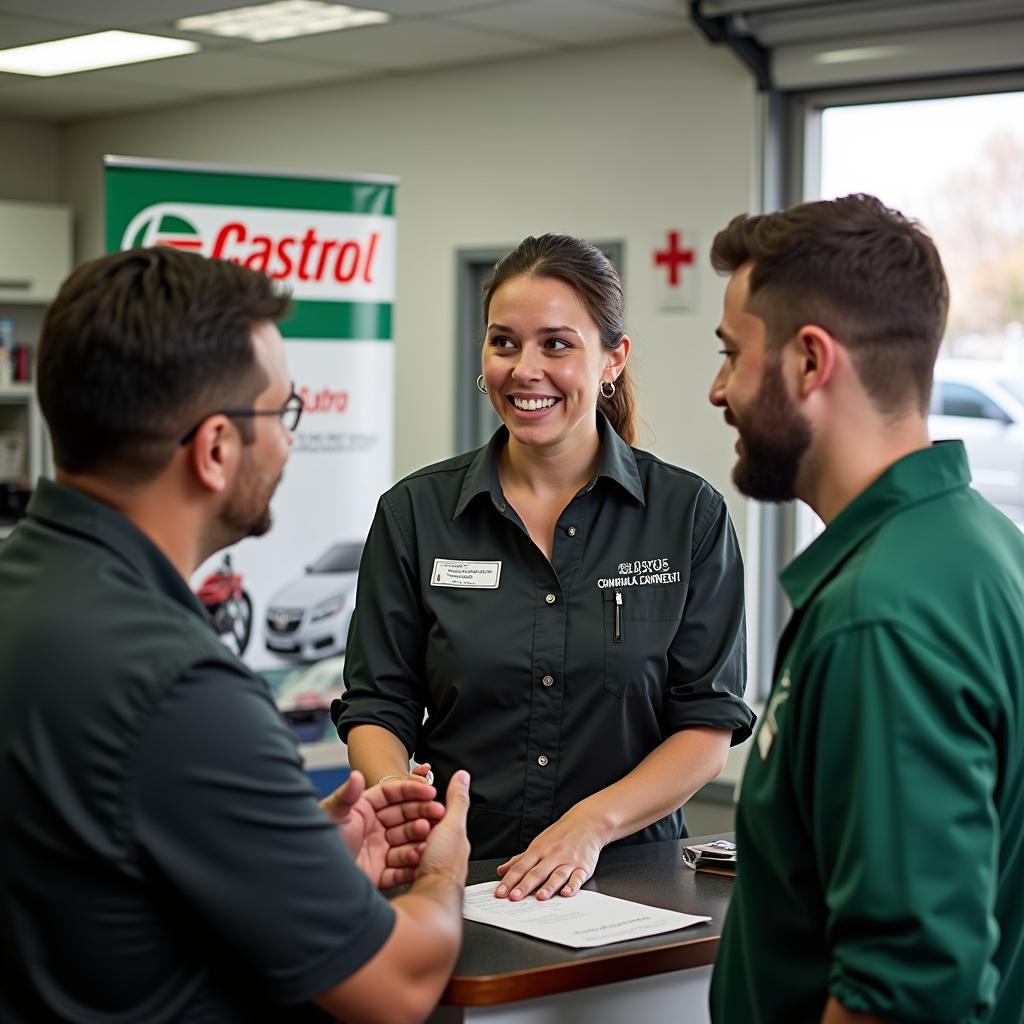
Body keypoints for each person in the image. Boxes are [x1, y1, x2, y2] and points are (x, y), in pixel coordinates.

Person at [0, 247, 471, 1024]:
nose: (287, 444)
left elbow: (98, 874)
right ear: (216, 448)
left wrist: (287, 850)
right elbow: (396, 986)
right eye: (282, 413)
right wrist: (445, 873)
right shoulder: (181, 686)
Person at [335, 233, 754, 902]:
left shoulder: (688, 516)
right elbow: (376, 702)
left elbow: (705, 727)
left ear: (613, 359)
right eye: (504, 343)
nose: (525, 368)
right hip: (458, 874)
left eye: (556, 344)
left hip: (631, 881)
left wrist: (589, 826)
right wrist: (392, 794)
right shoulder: (416, 513)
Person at [707, 194, 1024, 1024]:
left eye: (732, 355)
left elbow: (906, 990)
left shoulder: (878, 618)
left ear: (810, 364)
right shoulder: (986, 547)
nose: (718, 391)